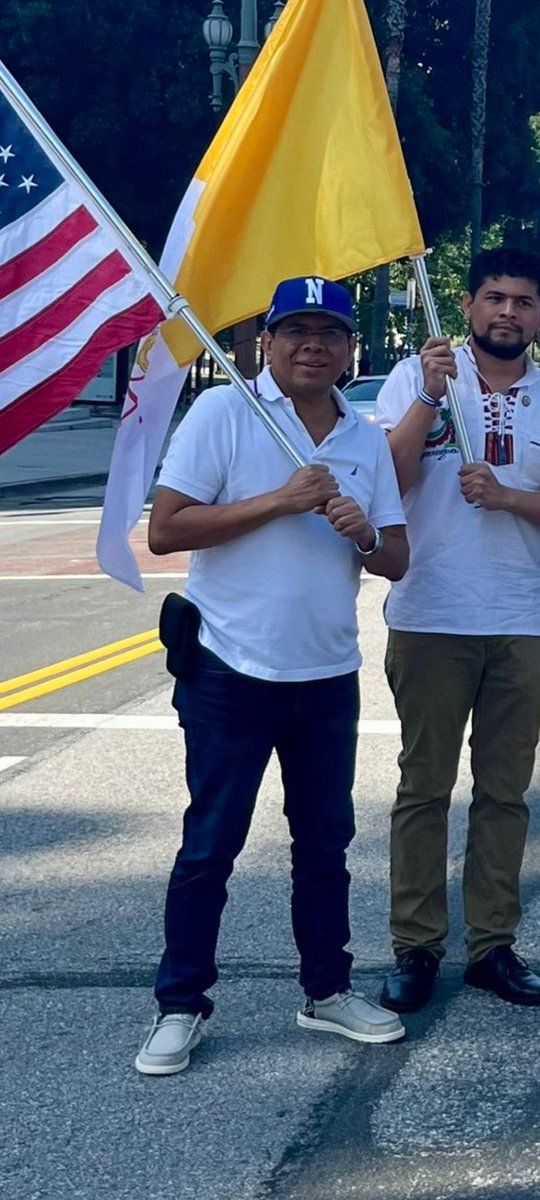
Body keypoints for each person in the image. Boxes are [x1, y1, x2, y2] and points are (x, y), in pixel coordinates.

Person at [135, 275, 409, 1075]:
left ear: (351, 346)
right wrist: (282, 500)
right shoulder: (225, 413)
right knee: (209, 846)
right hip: (230, 667)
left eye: (329, 331)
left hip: (326, 674)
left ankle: (327, 991)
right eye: (296, 330)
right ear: (265, 342)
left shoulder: (363, 436)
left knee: (325, 844)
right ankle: (180, 1003)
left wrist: (364, 535)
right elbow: (167, 529)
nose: (312, 345)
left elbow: (396, 557)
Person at [376, 247, 540, 1013]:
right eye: (495, 298)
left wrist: (511, 499)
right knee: (423, 790)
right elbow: (387, 480)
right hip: (432, 614)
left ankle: (492, 947)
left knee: (504, 794)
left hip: (523, 621)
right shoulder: (422, 375)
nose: (508, 312)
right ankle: (416, 947)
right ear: (468, 306)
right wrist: (430, 401)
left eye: (524, 301)